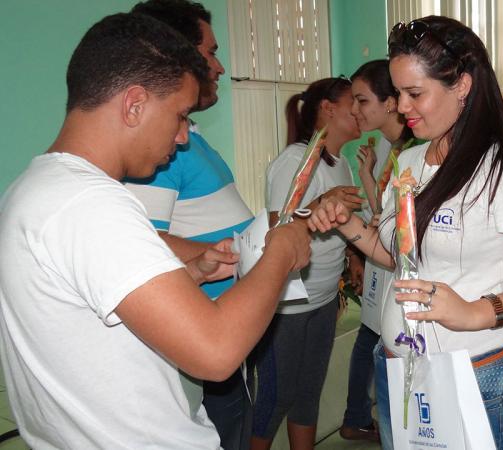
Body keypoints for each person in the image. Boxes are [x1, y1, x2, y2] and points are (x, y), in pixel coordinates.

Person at [0, 13, 310, 448]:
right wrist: (280, 253)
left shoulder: (34, 188)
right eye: (180, 115)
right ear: (134, 105)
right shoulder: (91, 204)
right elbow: (215, 352)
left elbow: (90, 316)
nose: (183, 136)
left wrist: (193, 275)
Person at [308, 16, 503, 450]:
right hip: (399, 364)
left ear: (463, 86)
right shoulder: (410, 164)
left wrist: (475, 312)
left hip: (472, 367)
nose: (402, 106)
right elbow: (400, 257)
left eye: (415, 93)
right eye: (398, 93)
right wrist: (348, 225)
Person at [124, 1, 254, 447]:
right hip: (202, 330)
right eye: (210, 52)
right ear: (175, 56)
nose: (219, 66)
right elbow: (146, 237)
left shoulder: (188, 137)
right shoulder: (159, 150)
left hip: (225, 322)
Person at [249, 76, 361, 450]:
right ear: (328, 109)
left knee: (309, 392)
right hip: (291, 301)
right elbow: (276, 232)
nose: (360, 112)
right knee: (276, 396)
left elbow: (339, 229)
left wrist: (350, 263)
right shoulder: (295, 161)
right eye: (353, 104)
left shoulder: (340, 162)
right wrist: (321, 201)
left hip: (326, 296)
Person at [338, 59, 415, 443]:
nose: (354, 110)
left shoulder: (416, 150)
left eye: (362, 100)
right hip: (384, 260)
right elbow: (385, 217)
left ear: (390, 102)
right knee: (374, 342)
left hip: (403, 274)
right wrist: (368, 179)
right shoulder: (391, 145)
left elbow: (395, 225)